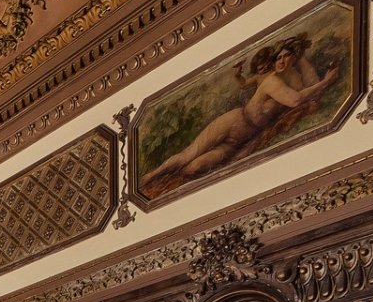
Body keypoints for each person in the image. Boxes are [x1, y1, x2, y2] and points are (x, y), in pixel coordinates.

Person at [140, 35, 341, 197]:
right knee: (188, 155)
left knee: (194, 168)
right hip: (234, 121)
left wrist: (304, 59)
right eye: (278, 58)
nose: (280, 61)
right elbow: (297, 99)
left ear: (294, 58)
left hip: (244, 136)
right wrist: (326, 81)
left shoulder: (295, 79)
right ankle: (153, 174)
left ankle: (169, 186)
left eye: (286, 57)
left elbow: (311, 87)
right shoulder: (272, 81)